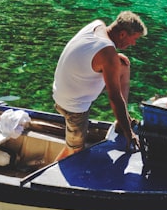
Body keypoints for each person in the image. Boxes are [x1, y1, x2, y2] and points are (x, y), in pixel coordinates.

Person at [52, 11, 147, 159]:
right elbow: (114, 97)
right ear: (122, 34)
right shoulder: (107, 53)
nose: (133, 44)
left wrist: (114, 59)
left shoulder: (97, 26)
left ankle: (121, 123)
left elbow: (91, 53)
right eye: (133, 39)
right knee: (75, 153)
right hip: (73, 107)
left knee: (123, 66)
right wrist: (130, 134)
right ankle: (49, 175)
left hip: (62, 90)